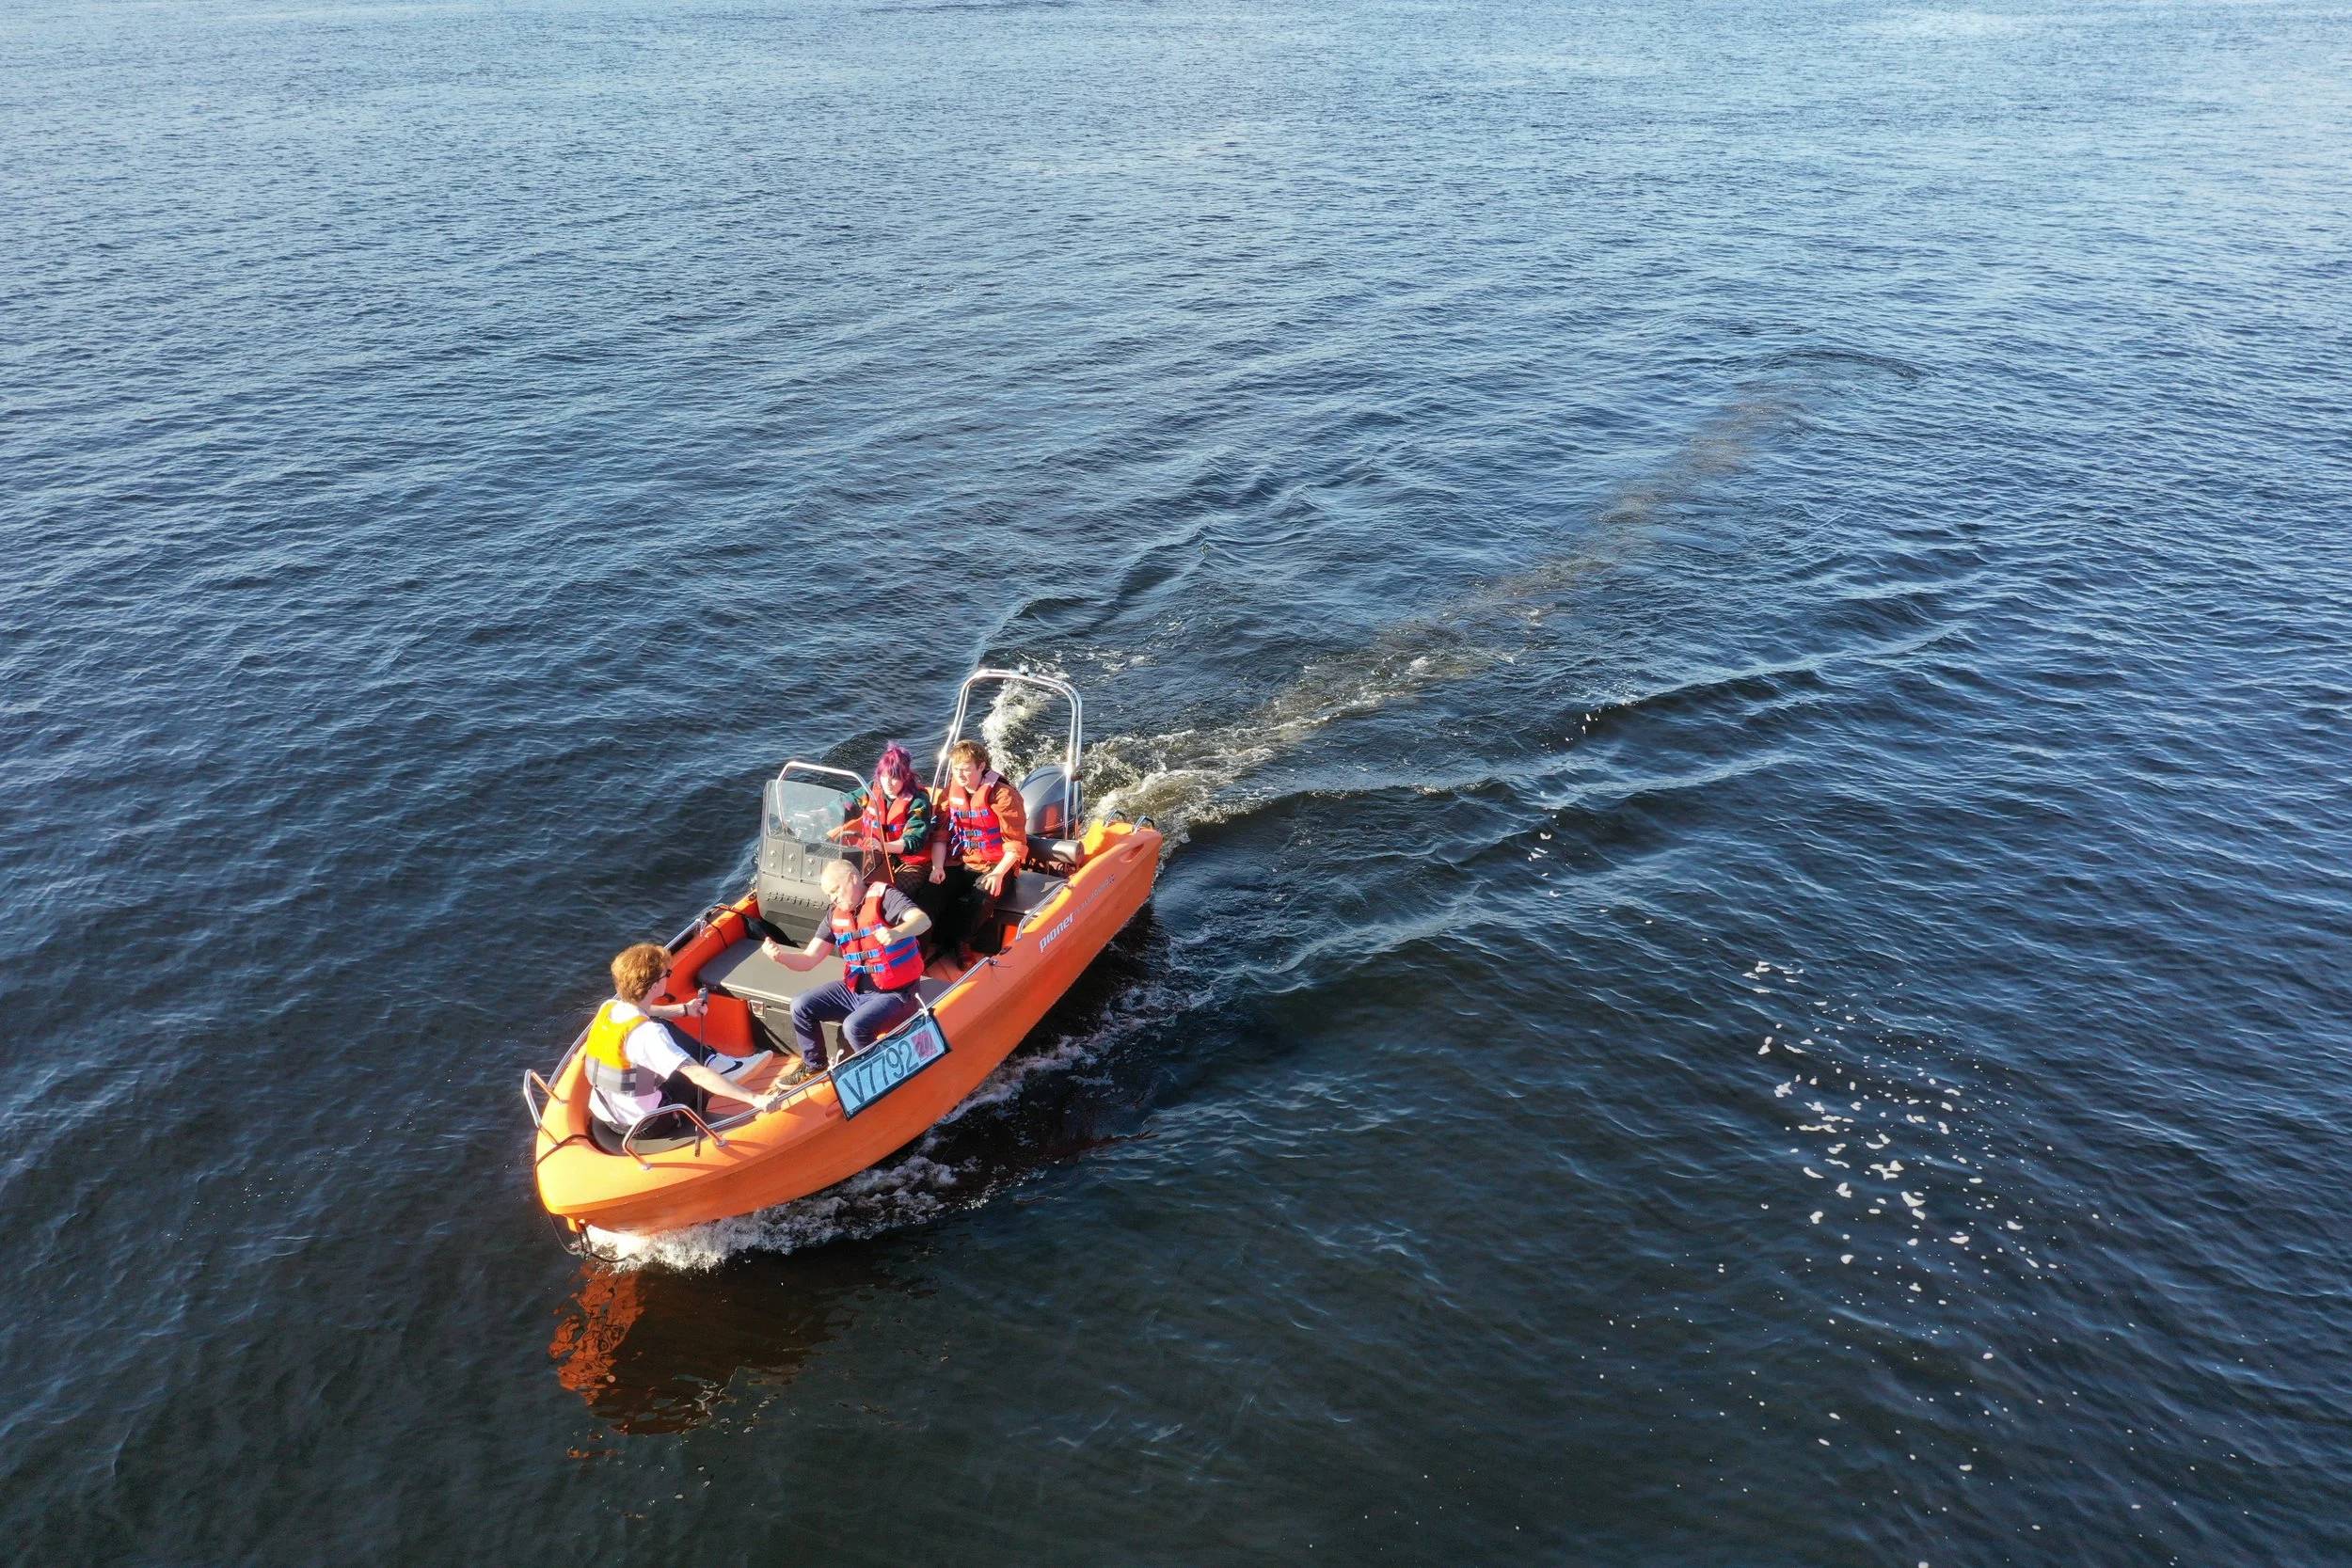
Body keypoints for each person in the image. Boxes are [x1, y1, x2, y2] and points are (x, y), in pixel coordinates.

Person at [761, 859, 932, 1086]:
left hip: (897, 995)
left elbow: (922, 921)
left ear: (853, 878)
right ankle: (814, 1066)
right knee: (801, 1005)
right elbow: (808, 959)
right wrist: (780, 957)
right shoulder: (835, 915)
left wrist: (898, 932)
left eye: (835, 890)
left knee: (854, 1026)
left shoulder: (885, 897)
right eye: (828, 894)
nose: (832, 898)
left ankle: (884, 1076)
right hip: (856, 992)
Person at [582, 942, 763, 1140]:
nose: (669, 976)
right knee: (694, 1078)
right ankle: (694, 1117)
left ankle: (715, 1063)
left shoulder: (609, 1008)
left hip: (607, 1114)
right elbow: (697, 1074)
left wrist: (684, 1009)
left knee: (661, 1025)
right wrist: (754, 1098)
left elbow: (647, 1011)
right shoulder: (648, 1034)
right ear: (654, 986)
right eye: (667, 974)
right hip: (646, 1124)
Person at [928, 737, 1027, 968]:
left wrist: (999, 873)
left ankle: (963, 941)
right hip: (962, 859)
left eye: (965, 769)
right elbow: (941, 835)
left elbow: (1015, 843)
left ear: (982, 766)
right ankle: (920, 941)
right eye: (956, 769)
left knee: (982, 896)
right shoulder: (950, 794)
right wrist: (937, 867)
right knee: (930, 892)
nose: (960, 775)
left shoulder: (1003, 796)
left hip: (996, 864)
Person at [830, 743, 935, 907]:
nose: (889, 783)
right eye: (885, 776)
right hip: (874, 857)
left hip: (909, 863)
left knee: (892, 895)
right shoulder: (873, 789)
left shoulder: (919, 801)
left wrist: (883, 846)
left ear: (906, 777)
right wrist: (824, 814)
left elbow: (913, 841)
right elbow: (849, 803)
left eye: (895, 777)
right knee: (847, 885)